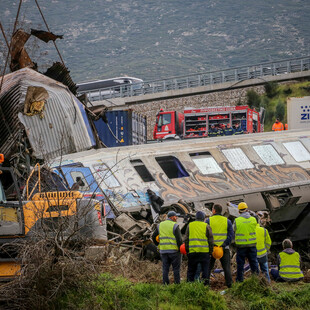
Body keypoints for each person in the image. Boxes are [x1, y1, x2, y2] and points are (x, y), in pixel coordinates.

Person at [206, 204, 233, 288]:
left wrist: (211, 245)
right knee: (227, 268)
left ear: (214, 210)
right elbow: (231, 234)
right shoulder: (227, 221)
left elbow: (205, 234)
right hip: (224, 248)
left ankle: (205, 285)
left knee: (208, 268)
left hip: (212, 248)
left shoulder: (208, 220)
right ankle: (229, 285)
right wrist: (224, 243)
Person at [152, 211, 183, 285]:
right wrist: (180, 249)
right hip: (174, 251)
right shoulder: (175, 226)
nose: (177, 218)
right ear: (172, 217)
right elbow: (179, 239)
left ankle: (165, 284)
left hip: (163, 251)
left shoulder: (160, 225)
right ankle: (177, 284)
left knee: (165, 269)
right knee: (176, 269)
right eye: (176, 216)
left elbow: (153, 236)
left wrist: (158, 245)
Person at [184, 211, 213, 285]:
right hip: (204, 253)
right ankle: (205, 286)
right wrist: (210, 252)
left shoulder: (190, 225)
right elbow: (210, 240)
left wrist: (187, 250)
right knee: (205, 271)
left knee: (191, 271)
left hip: (193, 252)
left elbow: (186, 239)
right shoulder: (207, 226)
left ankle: (189, 286)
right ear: (203, 218)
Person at [233, 202, 259, 282]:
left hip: (241, 246)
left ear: (239, 211)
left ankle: (240, 280)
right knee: (253, 262)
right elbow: (257, 224)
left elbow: (233, 229)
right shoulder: (253, 219)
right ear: (247, 210)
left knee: (240, 264)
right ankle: (256, 279)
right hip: (252, 246)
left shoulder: (237, 221)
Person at [255, 217, 271, 282]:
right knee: (265, 271)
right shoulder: (264, 230)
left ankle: (256, 285)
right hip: (263, 254)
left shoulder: (249, 231)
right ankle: (268, 283)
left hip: (254, 255)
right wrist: (266, 249)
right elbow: (268, 242)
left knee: (255, 273)